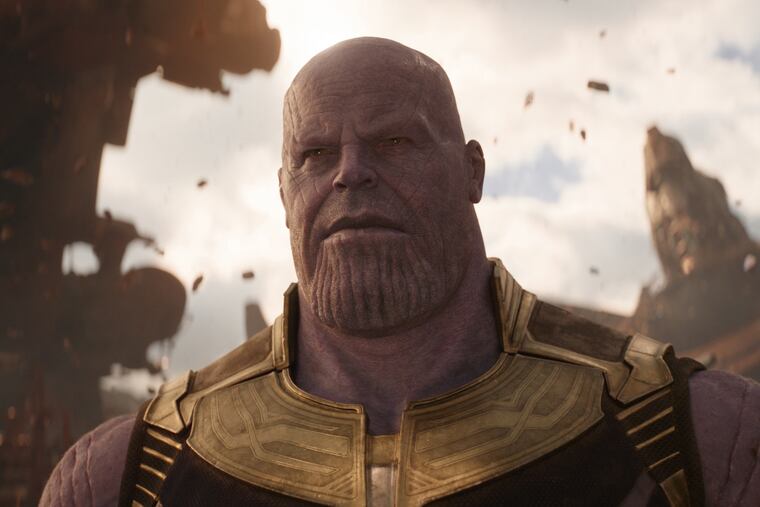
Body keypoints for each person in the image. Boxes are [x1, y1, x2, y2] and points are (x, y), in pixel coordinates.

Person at [42, 37, 760, 507]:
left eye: (394, 141)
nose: (351, 172)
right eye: (316, 155)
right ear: (285, 195)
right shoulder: (130, 472)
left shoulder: (692, 431)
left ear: (472, 172)